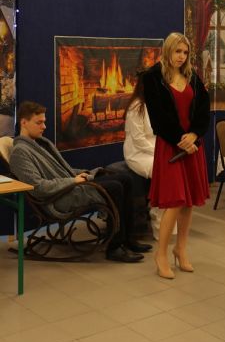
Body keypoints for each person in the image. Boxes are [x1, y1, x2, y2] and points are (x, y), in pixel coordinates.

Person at [10, 101, 153, 263]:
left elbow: (63, 169)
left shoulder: (40, 143)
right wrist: (73, 180)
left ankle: (128, 239)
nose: (44, 127)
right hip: (59, 198)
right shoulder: (20, 152)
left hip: (71, 186)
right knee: (115, 187)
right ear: (23, 122)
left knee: (125, 178)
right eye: (39, 123)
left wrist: (84, 173)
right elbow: (38, 187)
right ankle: (115, 247)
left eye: (44, 122)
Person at [143, 32, 210, 279]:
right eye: (177, 51)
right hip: (171, 146)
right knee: (174, 201)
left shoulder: (192, 77)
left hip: (192, 146)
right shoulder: (152, 77)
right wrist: (182, 140)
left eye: (185, 52)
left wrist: (195, 135)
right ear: (167, 50)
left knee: (188, 202)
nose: (181, 56)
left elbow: (203, 110)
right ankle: (160, 253)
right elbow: (158, 117)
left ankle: (180, 249)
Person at [124, 71, 175, 241]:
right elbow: (138, 140)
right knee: (165, 171)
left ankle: (167, 218)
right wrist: (161, 153)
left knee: (176, 169)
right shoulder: (136, 107)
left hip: (155, 150)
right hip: (138, 154)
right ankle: (158, 219)